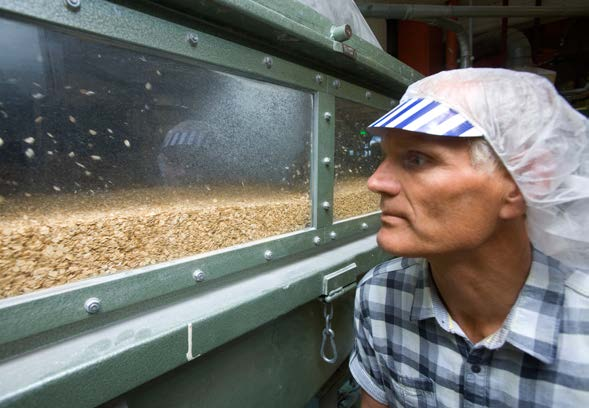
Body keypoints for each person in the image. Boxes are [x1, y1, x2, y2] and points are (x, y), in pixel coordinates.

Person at [349, 68, 589, 407]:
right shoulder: (379, 296)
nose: (376, 181)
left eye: (416, 159)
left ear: (522, 183)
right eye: (385, 155)